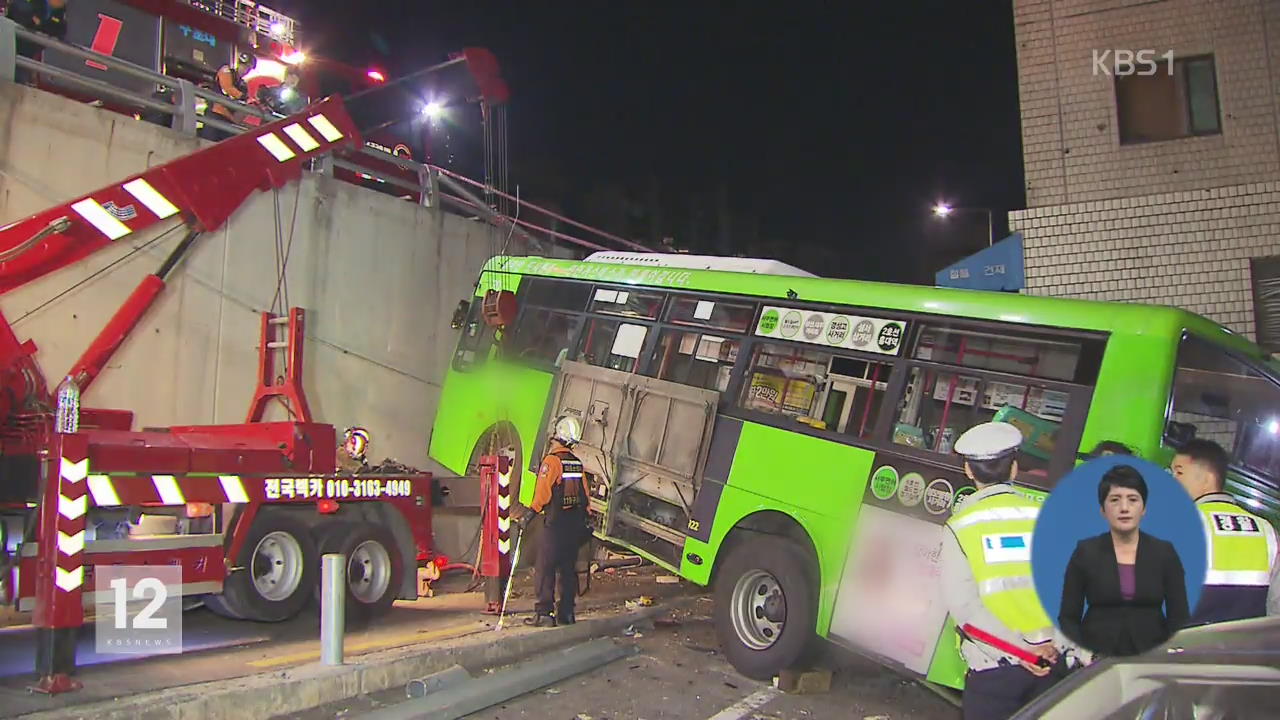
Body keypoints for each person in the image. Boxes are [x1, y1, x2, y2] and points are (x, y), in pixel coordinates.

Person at [941, 421, 1063, 720]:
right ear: (1014, 468)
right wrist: (1054, 647)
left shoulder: (960, 527)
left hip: (995, 669)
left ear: (969, 471)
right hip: (1054, 665)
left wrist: (1022, 652)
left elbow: (965, 610)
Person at [1058, 464, 1189, 657]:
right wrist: (1083, 655)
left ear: (1143, 508)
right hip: (1096, 657)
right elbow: (1068, 616)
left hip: (1151, 654)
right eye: (1115, 500)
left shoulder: (1164, 552)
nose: (1124, 508)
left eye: (1133, 500)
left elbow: (1179, 617)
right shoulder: (1086, 551)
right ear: (1103, 510)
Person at [1170, 438, 1280, 623]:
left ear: (1206, 479)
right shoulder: (1267, 531)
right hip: (1245, 649)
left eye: (1178, 473)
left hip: (1186, 648)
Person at [519, 415, 590, 627]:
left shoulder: (551, 462)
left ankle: (544, 614)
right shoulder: (576, 464)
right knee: (568, 569)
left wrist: (529, 514)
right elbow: (585, 496)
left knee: (545, 567)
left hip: (556, 524)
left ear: (557, 435)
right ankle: (566, 613)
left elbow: (543, 494)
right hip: (574, 525)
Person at [5, 0, 68, 87]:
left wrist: (40, 24)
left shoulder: (59, 11)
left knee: (16, 83)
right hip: (8, 44)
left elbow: (60, 30)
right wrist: (32, 21)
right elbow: (17, 10)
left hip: (27, 55)